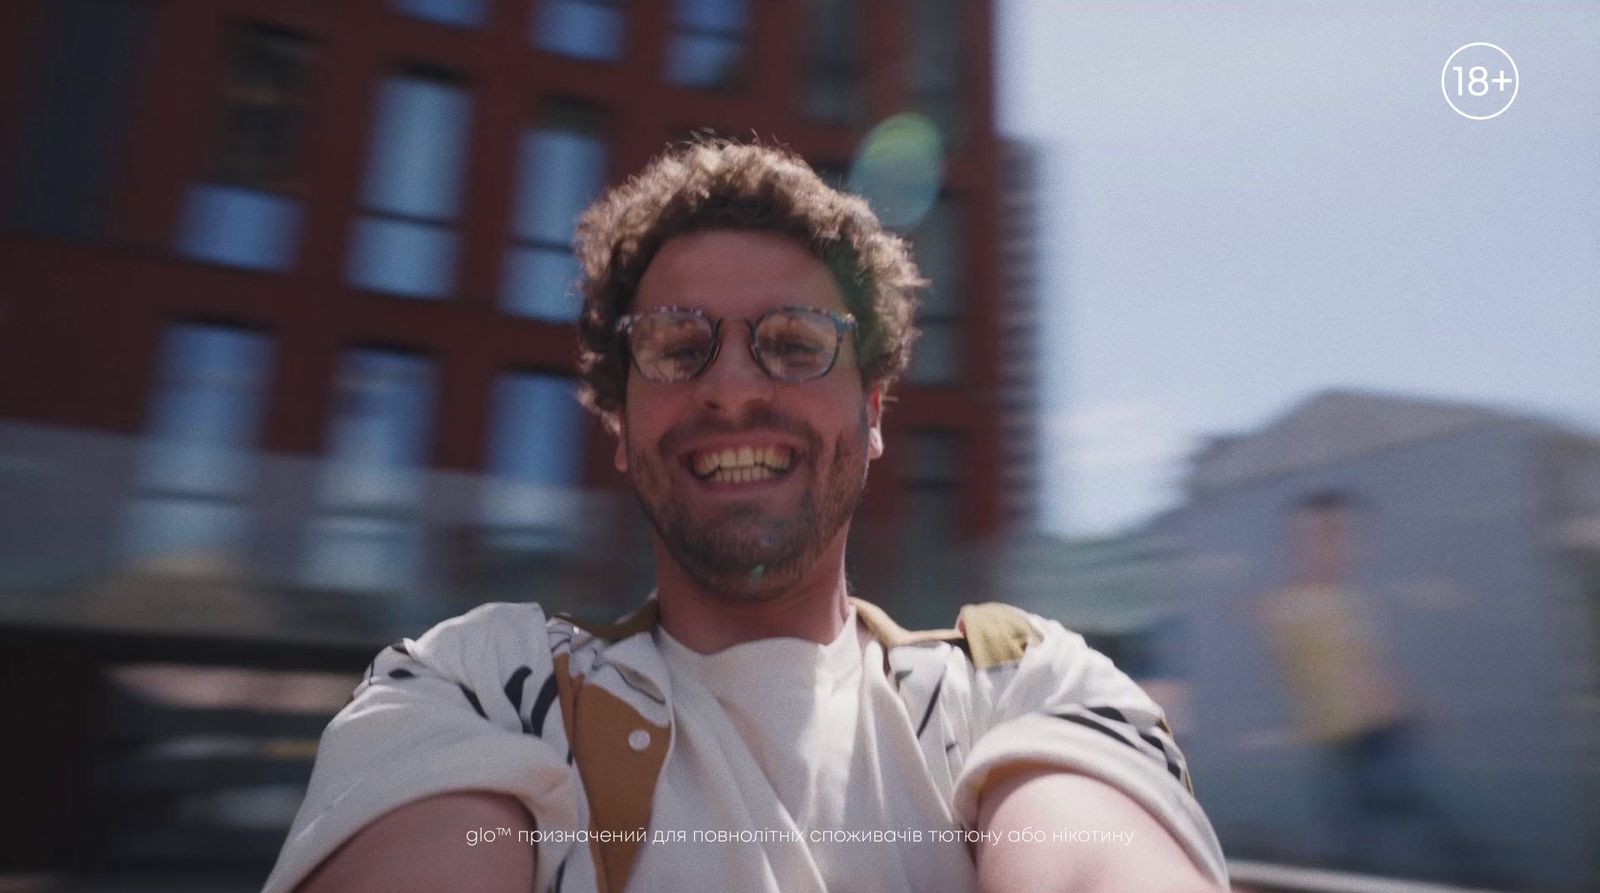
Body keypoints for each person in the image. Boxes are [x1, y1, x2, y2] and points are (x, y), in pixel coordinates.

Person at [262, 141, 1227, 893]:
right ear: (622, 428)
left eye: (794, 344)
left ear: (874, 412)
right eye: (678, 346)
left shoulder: (1024, 685)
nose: (731, 388)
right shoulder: (476, 684)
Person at [1258, 491, 1479, 877]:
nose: (1338, 547)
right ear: (1299, 542)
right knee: (1377, 839)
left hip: (1371, 737)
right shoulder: (1302, 605)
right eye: (1324, 536)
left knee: (1382, 836)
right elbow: (1340, 674)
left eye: (1343, 535)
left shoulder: (1338, 601)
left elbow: (1367, 667)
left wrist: (1405, 704)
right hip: (1355, 740)